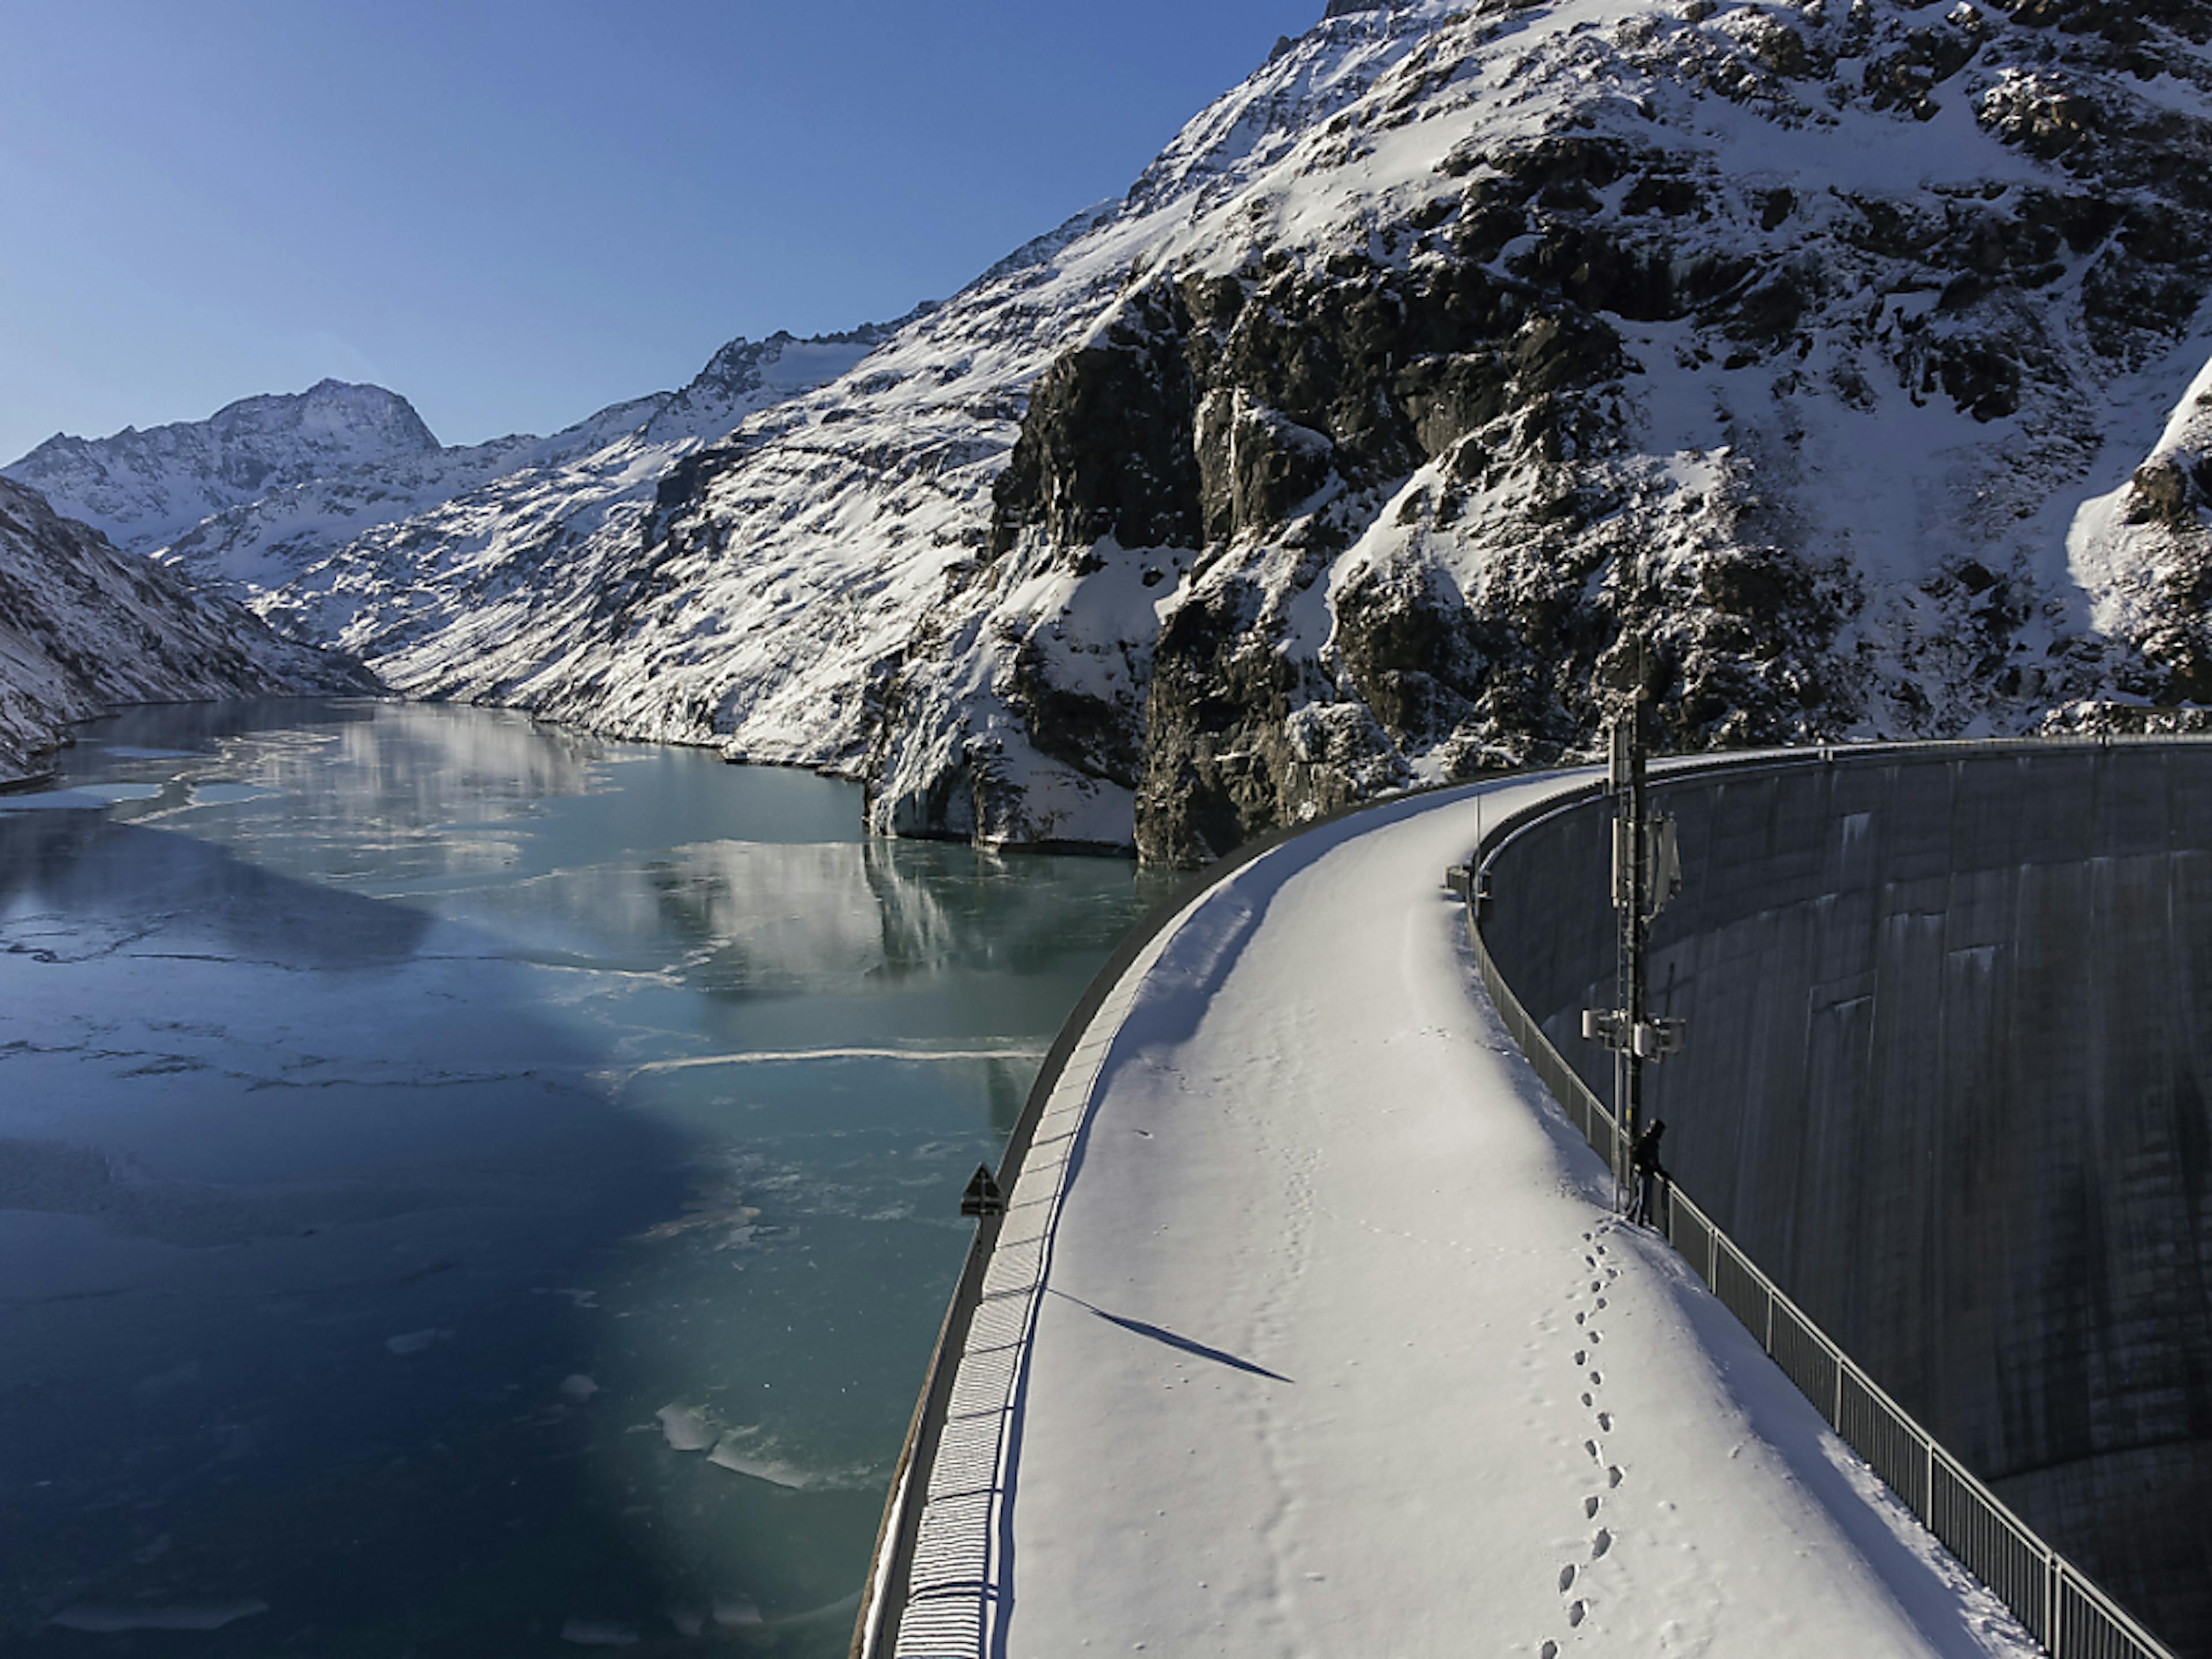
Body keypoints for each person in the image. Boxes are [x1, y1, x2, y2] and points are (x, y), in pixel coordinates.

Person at [1628, 1118, 1668, 1228]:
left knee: (1640, 1196)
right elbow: (1652, 1160)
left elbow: (1636, 1154)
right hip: (1645, 1173)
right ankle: (1638, 1222)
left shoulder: (1645, 1140)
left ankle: (1631, 1215)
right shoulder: (1649, 1142)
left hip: (1643, 1172)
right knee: (1644, 1198)